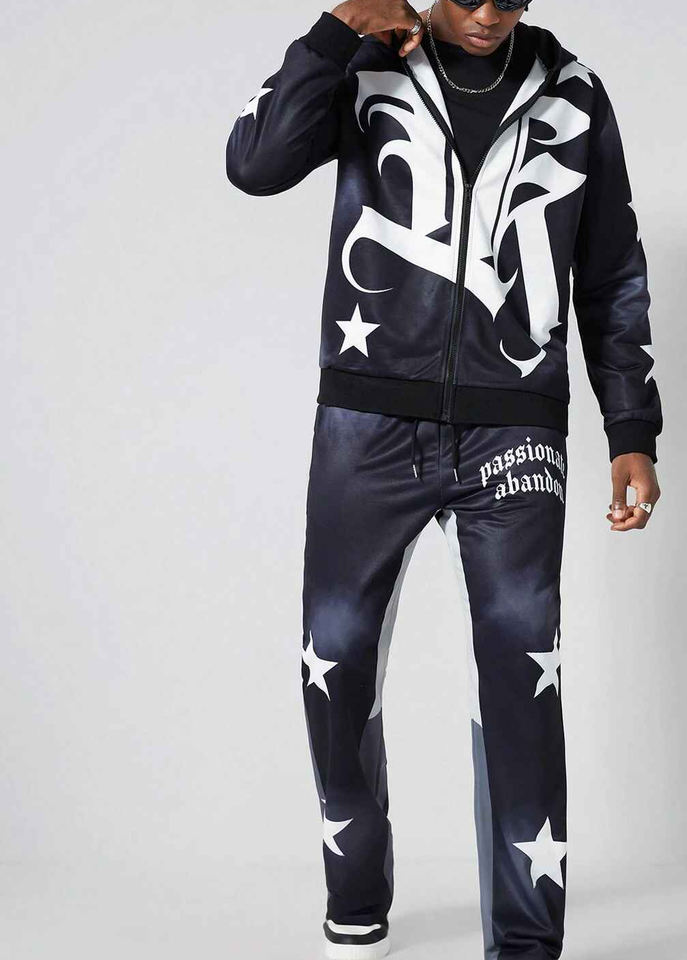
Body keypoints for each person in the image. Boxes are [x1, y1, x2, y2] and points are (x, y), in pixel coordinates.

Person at [226, 1, 663, 956]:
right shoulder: (367, 66)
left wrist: (631, 425)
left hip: (515, 431)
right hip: (368, 424)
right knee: (336, 665)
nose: (488, 16)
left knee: (521, 677)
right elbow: (253, 164)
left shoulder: (575, 94)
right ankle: (356, 891)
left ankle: (525, 942)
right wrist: (335, 32)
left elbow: (610, 270)